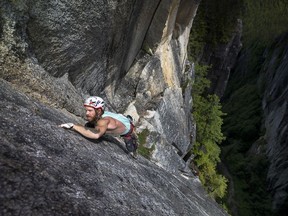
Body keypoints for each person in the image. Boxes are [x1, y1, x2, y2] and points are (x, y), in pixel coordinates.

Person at [59, 96, 138, 155]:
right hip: (117, 118)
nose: (86, 113)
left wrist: (73, 126)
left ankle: (130, 134)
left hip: (128, 128)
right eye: (86, 110)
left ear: (99, 110)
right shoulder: (100, 114)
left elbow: (96, 134)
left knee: (130, 148)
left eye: (90, 111)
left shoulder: (104, 121)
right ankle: (126, 118)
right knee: (88, 125)